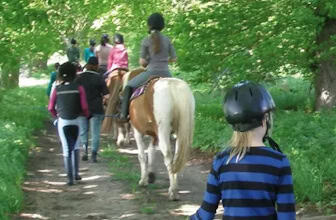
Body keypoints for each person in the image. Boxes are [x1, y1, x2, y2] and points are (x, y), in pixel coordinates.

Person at [190, 81, 295, 220]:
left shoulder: (222, 161)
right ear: (265, 120)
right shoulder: (278, 162)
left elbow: (205, 214)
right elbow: (287, 217)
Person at [115, 13, 177, 120]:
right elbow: (174, 59)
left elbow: (142, 63)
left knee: (129, 86)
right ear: (162, 25)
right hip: (166, 74)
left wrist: (149, 60)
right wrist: (164, 60)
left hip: (150, 73)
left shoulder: (146, 40)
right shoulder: (167, 40)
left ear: (149, 25)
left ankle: (124, 115)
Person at [48, 62, 91, 185]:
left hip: (63, 121)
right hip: (77, 120)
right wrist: (87, 115)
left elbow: (51, 107)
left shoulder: (57, 89)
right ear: (74, 74)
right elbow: (84, 106)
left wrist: (57, 116)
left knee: (66, 149)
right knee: (76, 146)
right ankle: (77, 173)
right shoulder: (79, 88)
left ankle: (70, 178)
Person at [73, 56, 109, 163]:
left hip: (81, 109)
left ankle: (84, 151)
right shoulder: (99, 78)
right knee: (95, 132)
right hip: (96, 108)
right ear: (97, 66)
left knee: (83, 131)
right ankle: (94, 154)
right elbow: (107, 95)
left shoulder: (79, 77)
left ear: (87, 65)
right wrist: (104, 101)